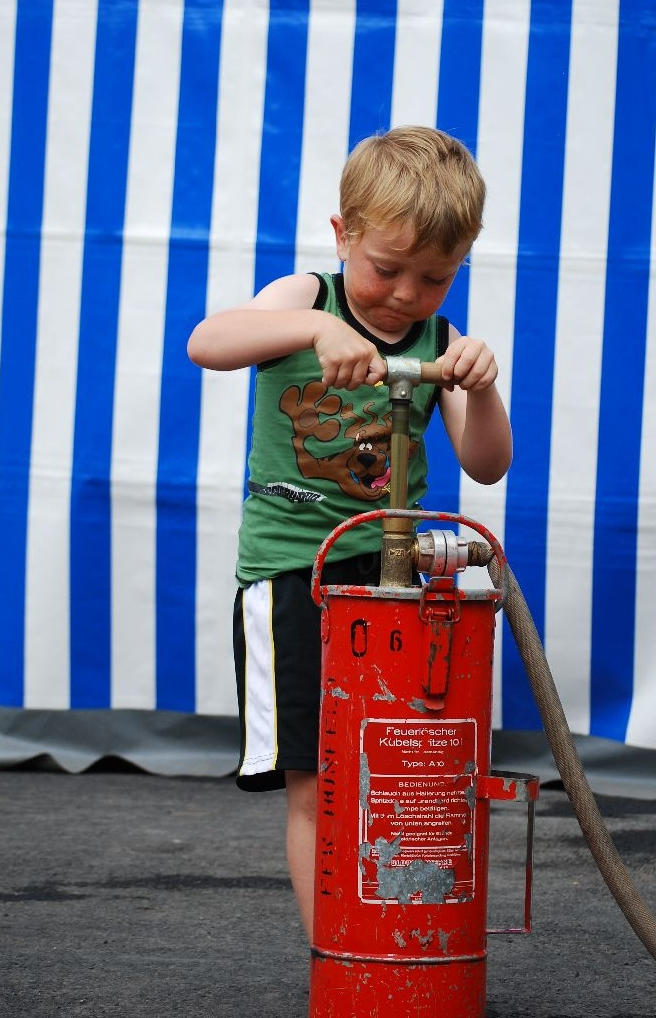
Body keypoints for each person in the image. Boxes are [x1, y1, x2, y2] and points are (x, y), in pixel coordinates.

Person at [187, 126, 513, 940]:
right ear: (343, 236)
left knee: (393, 767)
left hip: (395, 580)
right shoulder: (307, 297)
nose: (404, 295)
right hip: (294, 574)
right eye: (386, 268)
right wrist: (312, 330)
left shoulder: (438, 342)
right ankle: (335, 957)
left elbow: (486, 465)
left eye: (434, 277)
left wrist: (481, 385)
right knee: (317, 782)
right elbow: (207, 343)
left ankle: (392, 935)